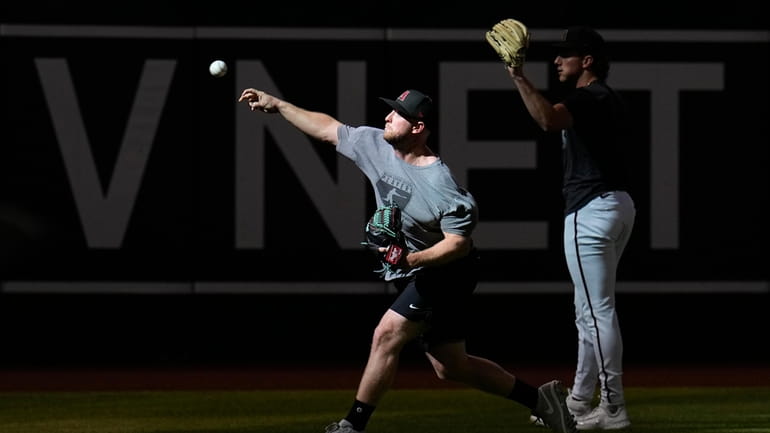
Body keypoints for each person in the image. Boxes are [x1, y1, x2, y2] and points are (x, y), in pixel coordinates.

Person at [238, 87, 577, 433]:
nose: (387, 117)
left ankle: (352, 426)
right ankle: (541, 401)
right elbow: (327, 128)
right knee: (451, 366)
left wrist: (412, 260)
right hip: (421, 269)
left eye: (397, 113)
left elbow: (458, 245)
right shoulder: (375, 145)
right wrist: (279, 105)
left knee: (387, 334)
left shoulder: (441, 185)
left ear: (417, 127)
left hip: (449, 271)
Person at [503, 26, 636, 430]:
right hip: (616, 205)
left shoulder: (587, 96)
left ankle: (613, 407)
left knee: (597, 313)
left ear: (587, 60)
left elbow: (547, 119)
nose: (557, 60)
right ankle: (579, 400)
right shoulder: (607, 98)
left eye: (566, 55)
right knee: (588, 311)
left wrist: (518, 77)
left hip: (590, 210)